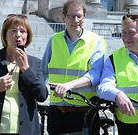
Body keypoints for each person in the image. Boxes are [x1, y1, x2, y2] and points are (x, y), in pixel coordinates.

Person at [0, 14, 48, 135]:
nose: (18, 35)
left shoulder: (34, 63)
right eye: (13, 31)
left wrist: (25, 68)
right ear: (5, 36)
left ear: (28, 36)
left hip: (25, 131)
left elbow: (42, 95)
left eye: (23, 31)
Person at [41, 0, 107, 134]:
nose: (76, 20)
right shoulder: (54, 40)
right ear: (63, 17)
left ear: (84, 16)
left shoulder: (96, 41)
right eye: (71, 16)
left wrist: (68, 85)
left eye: (79, 16)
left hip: (85, 112)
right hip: (57, 112)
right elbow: (42, 71)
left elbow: (95, 74)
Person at [98, 13, 138, 135]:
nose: (126, 37)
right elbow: (103, 87)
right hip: (127, 125)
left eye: (131, 32)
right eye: (124, 32)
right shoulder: (113, 59)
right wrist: (117, 94)